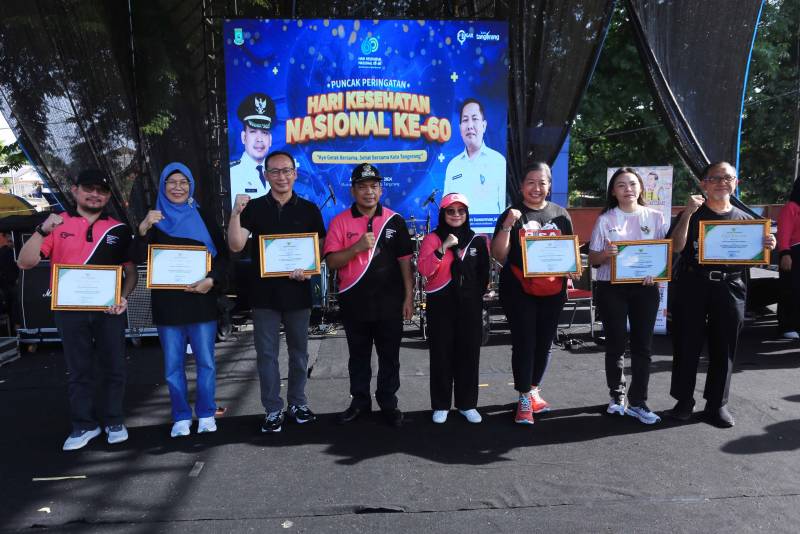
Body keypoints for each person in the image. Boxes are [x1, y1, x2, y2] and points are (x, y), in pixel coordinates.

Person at [17, 170, 137, 450]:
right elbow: (24, 262)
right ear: (75, 190)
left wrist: (123, 297)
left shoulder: (119, 228)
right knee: (78, 370)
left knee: (115, 367)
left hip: (109, 310)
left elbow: (130, 272)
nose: (95, 195)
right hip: (69, 311)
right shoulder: (56, 223)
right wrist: (42, 230)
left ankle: (114, 420)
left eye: (101, 191)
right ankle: (84, 425)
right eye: (89, 188)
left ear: (108, 196)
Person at [667, 161, 776, 428]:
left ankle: (716, 404)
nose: (721, 183)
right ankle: (683, 400)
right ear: (704, 184)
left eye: (727, 178)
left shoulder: (746, 220)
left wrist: (767, 245)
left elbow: (755, 257)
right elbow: (675, 247)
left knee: (725, 345)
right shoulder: (692, 213)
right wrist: (687, 214)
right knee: (686, 342)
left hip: (731, 285)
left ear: (735, 183)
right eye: (715, 178)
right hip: (693, 283)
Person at [228, 150, 326, 433]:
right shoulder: (254, 208)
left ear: (295, 174)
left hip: (298, 293)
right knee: (267, 355)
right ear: (266, 175)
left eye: (286, 171)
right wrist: (235, 212)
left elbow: (319, 247)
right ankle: (272, 409)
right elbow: (235, 245)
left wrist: (308, 268)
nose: (281, 176)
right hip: (264, 296)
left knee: (299, 354)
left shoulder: (309, 209)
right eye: (275, 171)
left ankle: (298, 403)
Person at [134, 162, 229, 438]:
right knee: (172, 367)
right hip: (168, 306)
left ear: (191, 186)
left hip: (201, 303)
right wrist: (142, 228)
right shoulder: (154, 219)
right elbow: (137, 257)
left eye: (183, 182)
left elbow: (223, 257)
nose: (178, 187)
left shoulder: (203, 215)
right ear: (163, 186)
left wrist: (211, 280)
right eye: (171, 182)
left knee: (206, 363)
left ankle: (207, 413)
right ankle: (181, 416)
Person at [324, 163, 414, 427]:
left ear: (381, 190)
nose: (369, 192)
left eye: (374, 186)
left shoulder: (395, 220)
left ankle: (388, 402)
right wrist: (356, 247)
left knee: (390, 357)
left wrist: (409, 296)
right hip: (354, 302)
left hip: (389, 303)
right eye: (362, 187)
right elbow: (331, 262)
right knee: (358, 357)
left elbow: (405, 261)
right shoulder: (340, 221)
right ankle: (360, 402)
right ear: (353, 191)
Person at [491, 162, 575, 425]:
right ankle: (524, 397)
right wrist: (507, 225)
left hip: (553, 289)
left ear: (549, 186)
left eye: (542, 182)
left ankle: (534, 388)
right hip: (518, 290)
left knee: (545, 342)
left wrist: (571, 270)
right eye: (531, 182)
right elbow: (498, 256)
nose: (536, 188)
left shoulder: (561, 214)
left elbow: (568, 252)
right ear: (521, 186)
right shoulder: (511, 214)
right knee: (525, 342)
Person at [588, 167, 669, 424]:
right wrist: (606, 254)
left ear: (641, 188)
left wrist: (655, 273)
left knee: (643, 346)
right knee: (615, 343)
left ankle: (638, 401)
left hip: (645, 288)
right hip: (611, 288)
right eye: (621, 185)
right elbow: (593, 259)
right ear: (613, 191)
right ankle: (617, 395)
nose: (628, 189)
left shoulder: (656, 217)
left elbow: (663, 255)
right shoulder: (605, 219)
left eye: (632, 184)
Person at [417, 193, 490, 424]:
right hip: (440, 305)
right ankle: (441, 405)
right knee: (441, 355)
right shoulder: (432, 239)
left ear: (467, 214)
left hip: (469, 306)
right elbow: (424, 270)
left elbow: (483, 274)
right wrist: (443, 247)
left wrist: (473, 297)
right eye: (451, 211)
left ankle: (467, 404)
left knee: (469, 355)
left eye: (461, 211)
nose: (456, 215)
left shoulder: (478, 240)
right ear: (443, 214)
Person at [443, 98, 507, 219]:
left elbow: (504, 207)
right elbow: (447, 207)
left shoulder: (498, 161)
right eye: (465, 120)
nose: (470, 126)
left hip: (490, 229)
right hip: (460, 230)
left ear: (484, 125)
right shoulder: (453, 165)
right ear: (460, 128)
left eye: (475, 119)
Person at [229, 92, 276, 208]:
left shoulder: (278, 174)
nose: (259, 139)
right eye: (253, 131)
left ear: (270, 140)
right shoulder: (231, 174)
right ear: (243, 137)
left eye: (264, 132)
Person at [776, 178, 800, 339]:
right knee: (791, 290)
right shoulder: (791, 207)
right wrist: (785, 253)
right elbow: (783, 232)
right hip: (794, 253)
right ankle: (787, 326)